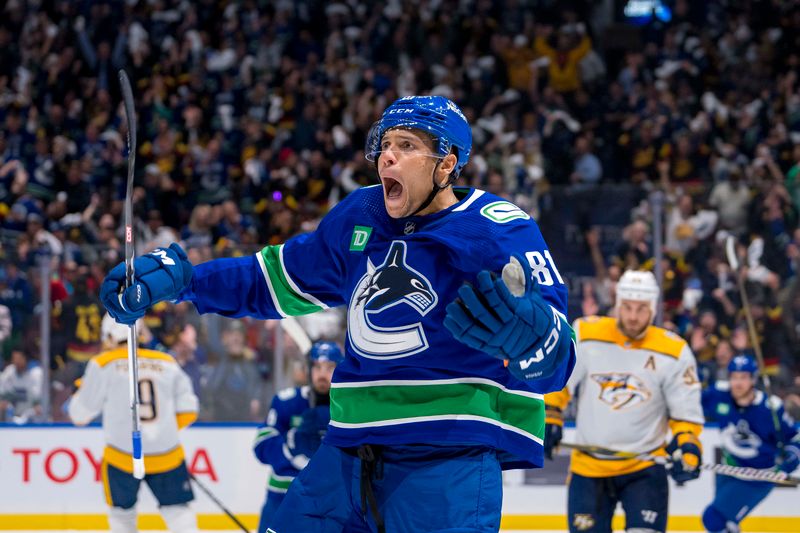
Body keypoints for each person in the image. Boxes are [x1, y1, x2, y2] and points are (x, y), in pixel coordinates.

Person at [101, 95, 575, 532]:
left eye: (406, 145)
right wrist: (186, 282)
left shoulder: (497, 228)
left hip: (448, 458)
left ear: (446, 165)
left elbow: (560, 356)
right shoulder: (360, 214)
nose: (387, 156)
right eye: (385, 144)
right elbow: (271, 281)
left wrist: (537, 339)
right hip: (346, 453)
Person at [544, 270, 704, 533]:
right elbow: (559, 379)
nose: (632, 316)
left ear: (653, 309)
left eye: (641, 309)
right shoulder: (587, 332)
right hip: (590, 465)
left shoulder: (673, 351)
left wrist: (687, 443)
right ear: (617, 304)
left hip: (645, 466)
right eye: (627, 307)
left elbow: (685, 411)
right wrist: (550, 414)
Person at [68, 314, 199, 533]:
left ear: (108, 336)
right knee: (178, 511)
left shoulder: (102, 363)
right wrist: (159, 432)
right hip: (167, 453)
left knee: (122, 516)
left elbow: (79, 416)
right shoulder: (167, 362)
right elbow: (189, 410)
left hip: (123, 456)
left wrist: (81, 390)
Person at [701, 355, 800, 533]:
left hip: (758, 477)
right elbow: (688, 404)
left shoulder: (771, 408)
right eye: (734, 377)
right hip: (728, 469)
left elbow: (795, 438)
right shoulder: (718, 393)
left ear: (753, 379)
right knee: (726, 523)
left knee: (713, 518)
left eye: (744, 377)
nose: (738, 383)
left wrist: (793, 455)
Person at [253, 340, 344, 533]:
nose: (322, 374)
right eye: (317, 367)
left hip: (331, 504)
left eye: (330, 367)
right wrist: (292, 443)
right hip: (282, 499)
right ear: (308, 369)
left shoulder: (350, 408)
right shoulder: (287, 402)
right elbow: (261, 447)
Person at [0, 347, 43, 423]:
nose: (16, 362)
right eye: (14, 359)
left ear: (25, 359)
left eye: (19, 359)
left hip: (31, 419)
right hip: (11, 418)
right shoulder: (9, 372)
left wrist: (31, 412)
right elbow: (3, 396)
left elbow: (39, 403)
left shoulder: (35, 374)